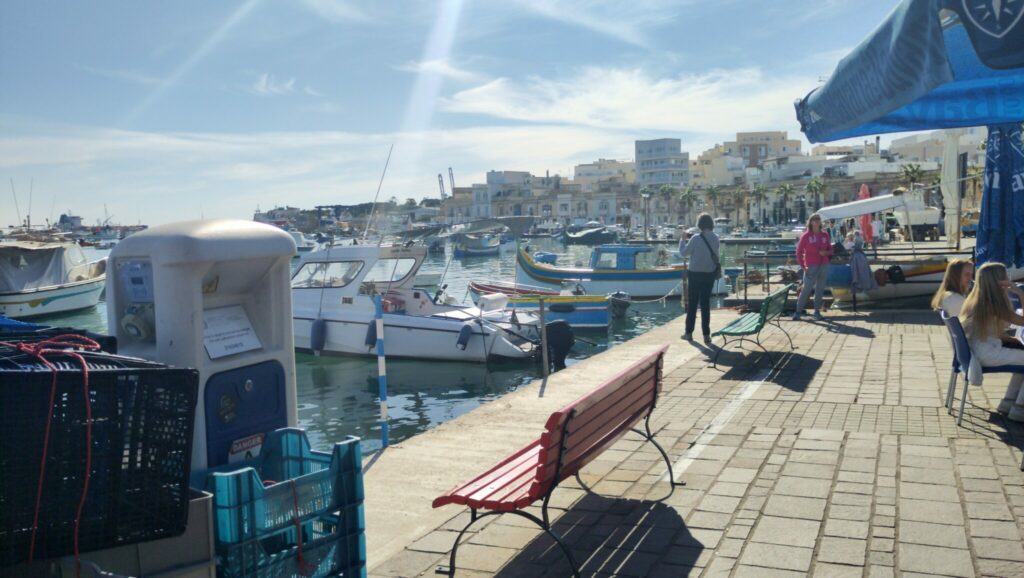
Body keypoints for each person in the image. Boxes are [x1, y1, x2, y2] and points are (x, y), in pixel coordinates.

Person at [959, 262, 1024, 421]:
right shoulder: (994, 304)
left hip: (977, 351)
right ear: (1000, 280)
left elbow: (989, 331)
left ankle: (1009, 403)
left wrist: (1013, 341)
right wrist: (1020, 294)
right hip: (987, 353)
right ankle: (1019, 409)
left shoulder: (976, 299)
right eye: (1006, 276)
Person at [680, 213, 720, 344]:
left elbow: (684, 253)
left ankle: (688, 333)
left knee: (692, 304)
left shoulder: (696, 238)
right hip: (709, 274)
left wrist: (682, 240)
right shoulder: (716, 238)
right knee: (705, 304)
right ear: (711, 224)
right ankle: (706, 335)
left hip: (695, 274)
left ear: (700, 224)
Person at [793, 213, 833, 321]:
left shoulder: (825, 235)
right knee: (806, 289)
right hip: (811, 266)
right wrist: (803, 266)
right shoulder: (806, 236)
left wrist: (826, 253)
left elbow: (831, 250)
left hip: (824, 265)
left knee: (820, 289)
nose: (816, 221)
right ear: (810, 222)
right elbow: (799, 252)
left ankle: (817, 312)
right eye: (813, 219)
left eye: (818, 219)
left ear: (820, 222)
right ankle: (798, 312)